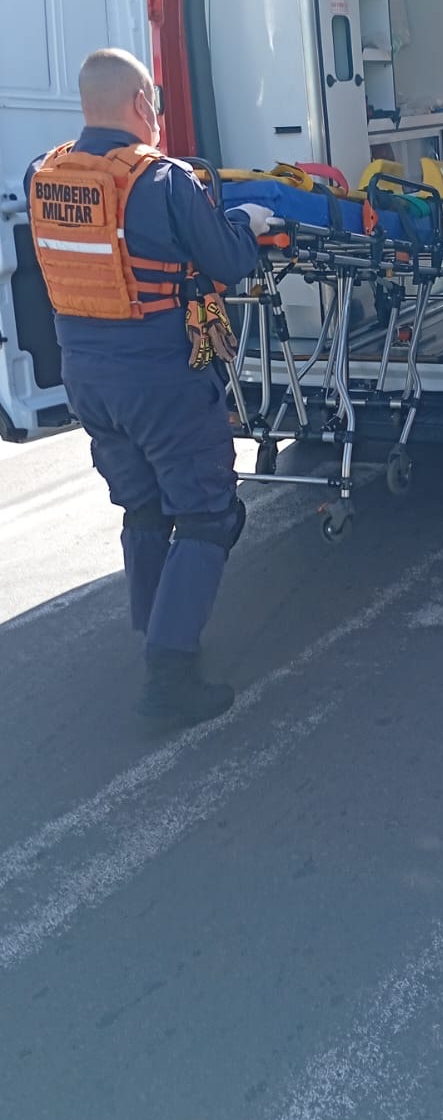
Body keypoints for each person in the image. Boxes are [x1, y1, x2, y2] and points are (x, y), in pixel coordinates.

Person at [27, 48, 273, 731]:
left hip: (87, 380)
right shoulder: (164, 180)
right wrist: (248, 226)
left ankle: (156, 626)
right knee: (207, 512)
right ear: (142, 104)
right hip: (160, 379)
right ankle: (170, 676)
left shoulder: (43, 174)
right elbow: (225, 261)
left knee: (142, 504)